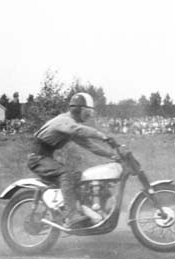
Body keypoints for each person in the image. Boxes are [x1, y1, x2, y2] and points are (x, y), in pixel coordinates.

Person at [27, 92, 116, 229]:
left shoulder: (70, 126)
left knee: (77, 175)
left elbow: (90, 145)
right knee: (66, 174)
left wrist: (112, 156)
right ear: (78, 110)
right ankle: (72, 216)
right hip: (37, 158)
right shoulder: (65, 121)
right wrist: (103, 136)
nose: (88, 115)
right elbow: (79, 130)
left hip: (46, 158)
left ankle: (82, 210)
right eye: (87, 112)